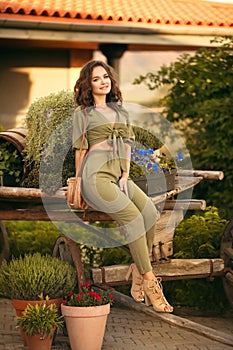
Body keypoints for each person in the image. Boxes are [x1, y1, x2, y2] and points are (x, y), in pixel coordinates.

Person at [72, 60, 173, 313]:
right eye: (96, 79)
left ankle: (137, 270)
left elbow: (127, 145)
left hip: (118, 175)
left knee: (149, 212)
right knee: (133, 218)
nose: (103, 82)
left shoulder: (121, 112)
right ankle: (150, 283)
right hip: (95, 177)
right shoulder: (82, 115)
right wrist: (79, 183)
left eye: (105, 77)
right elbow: (80, 151)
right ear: (88, 84)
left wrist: (126, 174)